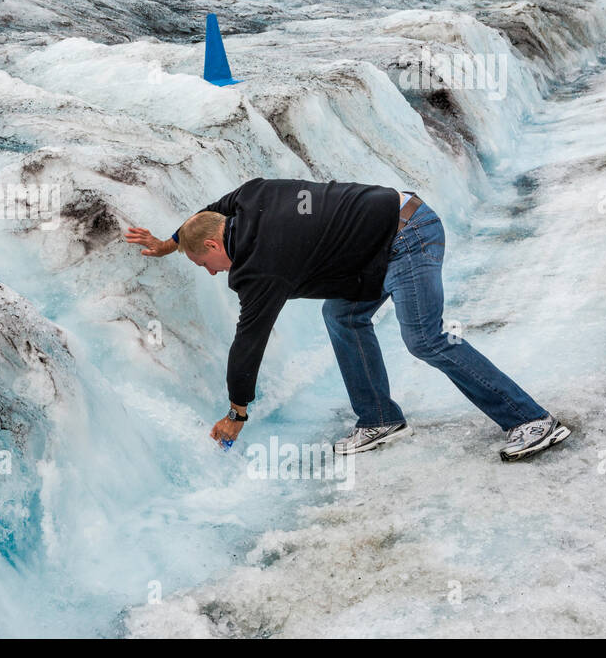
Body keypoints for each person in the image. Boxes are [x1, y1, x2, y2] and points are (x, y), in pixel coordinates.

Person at [125, 178, 569, 462]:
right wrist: (170, 242)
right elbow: (211, 207)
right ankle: (379, 417)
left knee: (424, 338)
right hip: (375, 245)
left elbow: (249, 341)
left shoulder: (263, 266)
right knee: (341, 314)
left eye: (202, 263)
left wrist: (236, 411)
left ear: (212, 248)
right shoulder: (247, 199)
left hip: (408, 234)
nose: (208, 272)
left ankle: (529, 420)